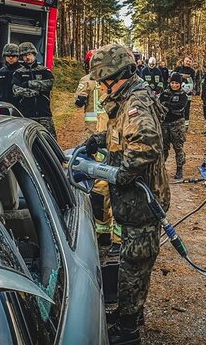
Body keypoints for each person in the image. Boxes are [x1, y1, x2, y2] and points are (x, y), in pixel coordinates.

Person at [84, 43, 170, 344]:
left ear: (116, 75)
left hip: (142, 202)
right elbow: (122, 135)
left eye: (104, 80)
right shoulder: (126, 99)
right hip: (135, 201)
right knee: (132, 262)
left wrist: (119, 173)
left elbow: (145, 145)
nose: (103, 87)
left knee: (134, 263)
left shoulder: (136, 102)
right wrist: (99, 139)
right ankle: (128, 313)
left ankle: (129, 329)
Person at [74, 49, 121, 256]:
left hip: (108, 141)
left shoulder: (123, 94)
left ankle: (114, 237)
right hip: (100, 137)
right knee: (101, 184)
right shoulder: (108, 84)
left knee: (110, 185)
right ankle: (104, 232)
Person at [12, 42, 56, 138]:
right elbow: (16, 90)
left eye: (29, 54)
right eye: (24, 55)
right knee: (28, 141)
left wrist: (29, 83)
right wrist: (35, 92)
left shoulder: (44, 71)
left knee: (50, 140)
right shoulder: (18, 73)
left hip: (44, 114)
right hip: (27, 115)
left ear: (34, 54)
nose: (27, 57)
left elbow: (49, 84)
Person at [159, 72, 188, 179]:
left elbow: (180, 107)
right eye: (172, 83)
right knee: (163, 148)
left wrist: (167, 105)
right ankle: (161, 169)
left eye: (176, 83)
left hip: (177, 124)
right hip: (164, 124)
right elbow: (159, 105)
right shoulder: (164, 93)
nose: (174, 85)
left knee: (178, 148)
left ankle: (179, 170)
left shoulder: (183, 95)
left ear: (180, 84)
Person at [0, 43, 22, 114]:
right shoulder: (0, 72)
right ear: (4, 56)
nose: (10, 58)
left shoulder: (22, 71)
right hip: (4, 107)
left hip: (19, 107)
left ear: (18, 57)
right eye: (8, 56)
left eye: (13, 56)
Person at [174, 56, 195, 130]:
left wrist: (189, 88)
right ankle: (177, 124)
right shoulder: (178, 69)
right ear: (183, 61)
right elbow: (172, 78)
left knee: (186, 110)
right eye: (187, 61)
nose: (188, 63)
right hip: (177, 93)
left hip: (187, 94)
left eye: (189, 61)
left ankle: (185, 126)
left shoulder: (192, 71)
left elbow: (193, 82)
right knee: (177, 109)